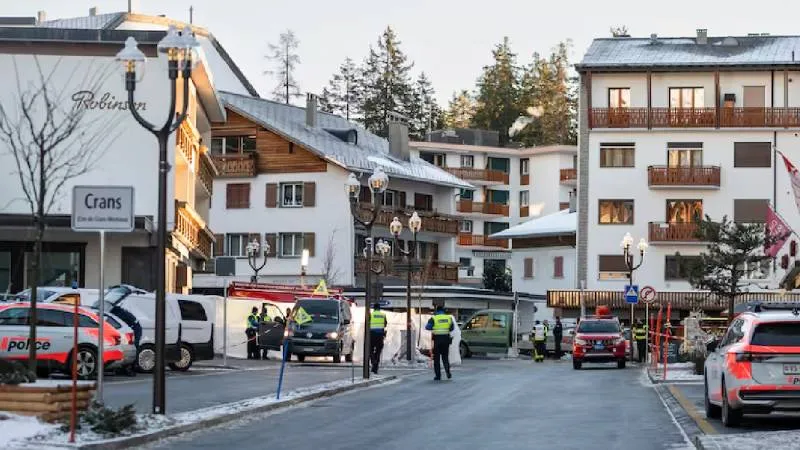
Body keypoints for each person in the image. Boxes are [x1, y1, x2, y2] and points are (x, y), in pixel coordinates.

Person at [425, 304, 454, 380]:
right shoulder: (448, 318)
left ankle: (438, 376)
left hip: (437, 340)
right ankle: (448, 372)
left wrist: (434, 327)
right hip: (446, 339)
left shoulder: (433, 318)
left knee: (437, 359)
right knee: (445, 357)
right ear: (443, 311)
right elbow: (452, 328)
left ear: (437, 311)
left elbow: (427, 327)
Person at [369, 303, 387, 374]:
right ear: (379, 308)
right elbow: (385, 324)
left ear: (374, 308)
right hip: (380, 335)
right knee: (378, 351)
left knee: (370, 349)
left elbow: (367, 323)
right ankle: (375, 368)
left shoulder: (371, 315)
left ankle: (373, 361)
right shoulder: (383, 315)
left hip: (372, 334)